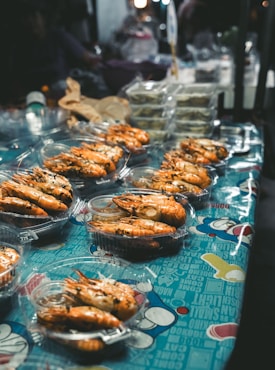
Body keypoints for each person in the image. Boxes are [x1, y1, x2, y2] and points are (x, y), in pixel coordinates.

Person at [1, 0, 101, 105]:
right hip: (32, 101)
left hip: (61, 98)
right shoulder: (19, 46)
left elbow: (89, 59)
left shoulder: (58, 37)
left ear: (43, 18)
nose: (30, 21)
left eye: (34, 16)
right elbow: (15, 81)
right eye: (26, 18)